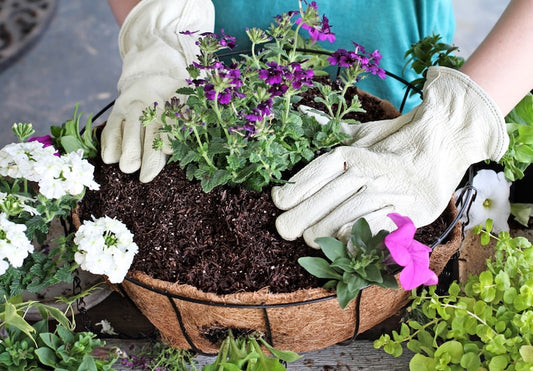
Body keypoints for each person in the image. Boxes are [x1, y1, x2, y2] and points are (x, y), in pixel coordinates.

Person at [104, 0, 533, 248]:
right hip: (211, 56)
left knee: (394, 166)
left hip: (393, 51)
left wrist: (457, 122)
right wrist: (159, 31)